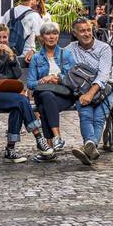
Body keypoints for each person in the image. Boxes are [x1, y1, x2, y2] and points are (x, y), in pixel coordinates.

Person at [0, 24, 56, 163]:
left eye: (4, 37)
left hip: (7, 95)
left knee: (18, 108)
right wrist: (6, 79)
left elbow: (17, 74)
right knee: (21, 100)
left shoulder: (9, 54)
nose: (2, 40)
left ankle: (10, 149)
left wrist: (12, 57)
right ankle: (39, 138)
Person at [65, 17, 113, 166]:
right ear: (75, 33)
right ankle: (90, 148)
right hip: (81, 90)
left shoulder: (104, 48)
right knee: (85, 114)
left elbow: (104, 74)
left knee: (99, 117)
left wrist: (90, 93)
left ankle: (89, 145)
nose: (86, 34)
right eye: (82, 31)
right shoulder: (70, 49)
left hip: (104, 90)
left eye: (88, 30)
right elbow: (58, 60)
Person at [27, 21, 77, 153]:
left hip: (64, 95)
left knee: (44, 106)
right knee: (46, 95)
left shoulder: (66, 54)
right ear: (42, 37)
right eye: (48, 34)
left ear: (58, 36)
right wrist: (44, 80)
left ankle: (48, 146)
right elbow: (30, 83)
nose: (51, 37)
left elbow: (73, 79)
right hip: (43, 94)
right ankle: (57, 137)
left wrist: (58, 79)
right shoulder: (36, 58)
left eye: (54, 33)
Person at [1, 0, 43, 65]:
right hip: (27, 58)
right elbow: (41, 38)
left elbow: (1, 32)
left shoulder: (8, 13)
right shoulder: (34, 15)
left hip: (8, 57)